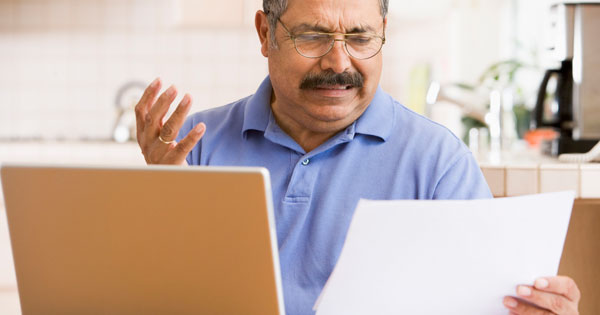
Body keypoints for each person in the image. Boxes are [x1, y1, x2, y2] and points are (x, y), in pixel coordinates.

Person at [134, 0, 581, 314]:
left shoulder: (438, 161)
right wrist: (164, 202)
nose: (338, 61)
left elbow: (484, 305)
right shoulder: (197, 148)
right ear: (265, 34)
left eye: (360, 37)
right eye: (313, 36)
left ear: (383, 35)